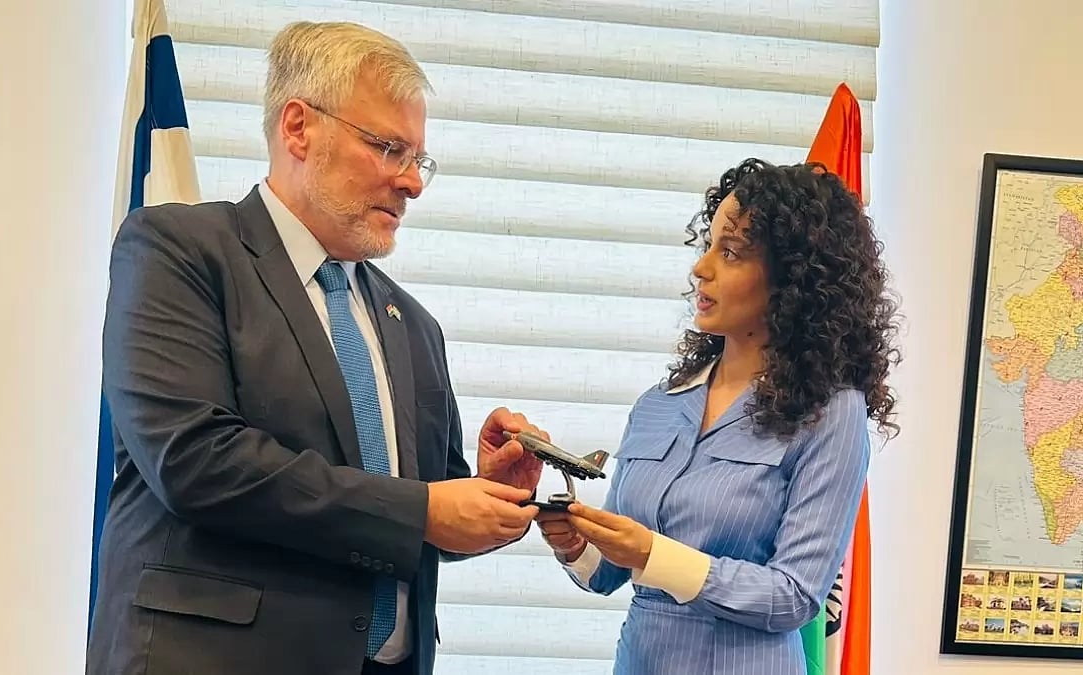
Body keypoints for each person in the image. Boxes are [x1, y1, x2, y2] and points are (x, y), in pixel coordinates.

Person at [86, 21, 547, 675]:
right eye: (389, 148)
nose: (412, 182)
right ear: (299, 127)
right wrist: (424, 508)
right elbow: (194, 460)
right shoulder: (177, 250)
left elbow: (414, 521)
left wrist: (483, 494)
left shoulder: (412, 324)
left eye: (420, 159)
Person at [536, 158, 901, 675]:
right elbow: (609, 574)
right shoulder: (658, 404)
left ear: (792, 279)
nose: (700, 268)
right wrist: (574, 544)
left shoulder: (831, 413)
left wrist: (654, 555)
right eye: (707, 246)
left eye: (729, 252)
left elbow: (794, 596)